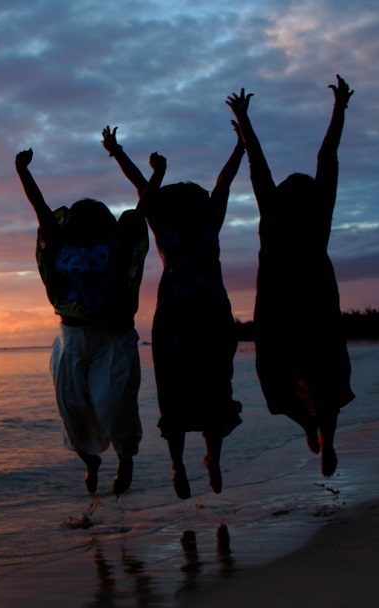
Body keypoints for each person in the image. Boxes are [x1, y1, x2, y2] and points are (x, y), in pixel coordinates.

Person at [226, 75, 356, 476]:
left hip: (282, 304)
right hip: (311, 299)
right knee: (323, 373)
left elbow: (259, 165)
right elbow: (327, 157)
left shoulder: (275, 209)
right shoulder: (317, 209)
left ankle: (315, 431)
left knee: (283, 379)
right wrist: (339, 109)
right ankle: (324, 437)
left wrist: (245, 122)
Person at [106, 126, 244, 499]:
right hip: (178, 316)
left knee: (215, 390)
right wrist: (117, 152)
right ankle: (178, 465)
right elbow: (141, 185)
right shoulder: (163, 220)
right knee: (174, 394)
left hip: (209, 315)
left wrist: (241, 143)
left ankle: (210, 460)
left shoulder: (207, 217)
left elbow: (225, 181)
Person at [15, 140, 149, 497]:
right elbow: (39, 206)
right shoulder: (60, 242)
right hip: (72, 339)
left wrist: (131, 160)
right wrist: (23, 171)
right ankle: (91, 464)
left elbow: (145, 200)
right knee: (72, 410)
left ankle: (125, 459)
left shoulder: (117, 243)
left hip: (113, 338)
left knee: (114, 404)